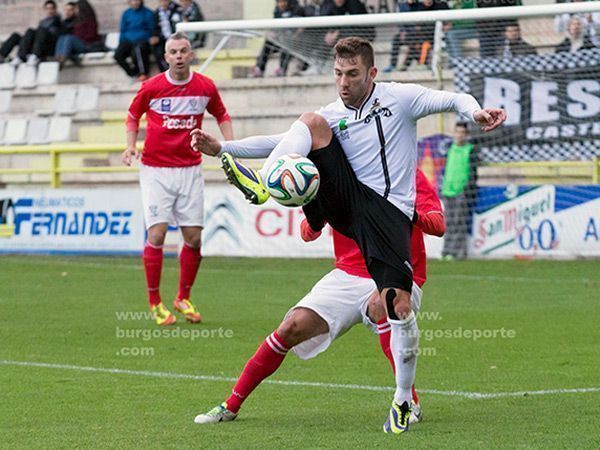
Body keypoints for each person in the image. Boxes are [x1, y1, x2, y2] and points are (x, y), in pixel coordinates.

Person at [192, 37, 505, 433]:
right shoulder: (332, 115)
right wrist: (224, 148)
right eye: (338, 73)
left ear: (371, 73)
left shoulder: (402, 101)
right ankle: (230, 404)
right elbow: (280, 142)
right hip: (349, 239)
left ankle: (405, 399)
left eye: (352, 74)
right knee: (309, 124)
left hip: (387, 218)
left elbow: (455, 97)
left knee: (391, 307)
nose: (343, 82)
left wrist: (475, 112)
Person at [191, 162, 444, 427]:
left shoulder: (405, 172)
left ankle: (408, 402)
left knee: (381, 303)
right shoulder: (334, 173)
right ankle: (230, 406)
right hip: (347, 275)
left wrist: (406, 211)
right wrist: (311, 210)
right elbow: (308, 234)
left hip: (398, 272)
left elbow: (438, 225)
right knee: (291, 326)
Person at [121, 32, 233, 326]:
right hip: (156, 170)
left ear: (191, 54)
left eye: (184, 50)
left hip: (190, 168)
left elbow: (222, 115)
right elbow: (133, 115)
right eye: (174, 51)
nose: (179, 56)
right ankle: (155, 301)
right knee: (156, 235)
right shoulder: (152, 87)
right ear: (166, 57)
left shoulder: (205, 87)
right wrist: (131, 145)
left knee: (194, 239)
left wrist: (230, 147)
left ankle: (183, 296)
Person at [441, 123, 475, 260]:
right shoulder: (450, 149)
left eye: (462, 132)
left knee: (458, 223)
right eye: (457, 132)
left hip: (462, 192)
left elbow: (473, 173)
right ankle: (446, 251)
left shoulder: (471, 150)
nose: (459, 135)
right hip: (447, 190)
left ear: (467, 135)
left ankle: (457, 253)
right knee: (448, 223)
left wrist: (467, 188)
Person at [248, 0, 304, 78]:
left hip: (294, 42)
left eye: (283, 2)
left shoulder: (297, 9)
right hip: (281, 40)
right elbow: (275, 26)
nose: (281, 4)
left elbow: (302, 28)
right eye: (279, 2)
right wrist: (271, 33)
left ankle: (282, 69)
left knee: (286, 41)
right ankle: (260, 69)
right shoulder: (277, 11)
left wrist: (295, 36)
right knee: (268, 43)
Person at [0, 0, 61, 66]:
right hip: (36, 45)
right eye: (47, 9)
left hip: (46, 46)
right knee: (18, 35)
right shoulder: (42, 22)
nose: (49, 11)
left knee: (40, 30)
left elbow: (54, 35)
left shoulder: (58, 21)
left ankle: (34, 56)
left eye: (51, 8)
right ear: (45, 10)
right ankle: (3, 55)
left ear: (55, 9)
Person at [114, 0, 155, 81]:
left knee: (138, 51)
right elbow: (123, 30)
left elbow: (151, 30)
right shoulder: (126, 13)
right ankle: (133, 73)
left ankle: (143, 73)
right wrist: (121, 43)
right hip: (128, 40)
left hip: (142, 40)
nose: (135, 2)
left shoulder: (148, 13)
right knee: (118, 54)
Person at [54, 1, 101, 68]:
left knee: (69, 38)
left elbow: (91, 35)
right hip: (78, 43)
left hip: (87, 44)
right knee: (62, 37)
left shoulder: (90, 20)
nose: (75, 10)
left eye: (76, 8)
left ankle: (62, 59)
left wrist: (78, 38)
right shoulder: (77, 21)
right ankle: (58, 57)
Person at [151, 0, 182, 72]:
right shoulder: (157, 12)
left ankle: (175, 71)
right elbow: (155, 28)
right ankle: (165, 71)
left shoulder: (177, 9)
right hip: (162, 38)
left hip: (176, 36)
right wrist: (155, 36)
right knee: (156, 49)